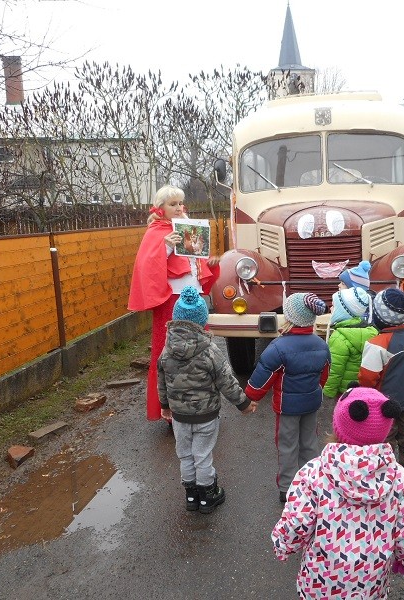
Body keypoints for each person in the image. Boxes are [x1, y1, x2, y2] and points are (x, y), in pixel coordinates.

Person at [271, 385, 404, 599]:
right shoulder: (398, 476)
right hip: (371, 582)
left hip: (320, 581)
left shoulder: (314, 472)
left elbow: (297, 521)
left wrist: (283, 544)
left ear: (338, 425)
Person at [158, 286, 256, 514]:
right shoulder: (210, 350)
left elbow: (161, 380)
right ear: (202, 320)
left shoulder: (166, 350)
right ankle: (208, 496)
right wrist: (243, 403)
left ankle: (191, 496)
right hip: (206, 416)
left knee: (185, 454)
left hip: (180, 417)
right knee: (202, 455)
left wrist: (164, 406)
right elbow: (226, 381)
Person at [127, 185, 220, 423]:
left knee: (201, 348)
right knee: (170, 351)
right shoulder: (156, 232)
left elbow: (194, 264)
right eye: (173, 204)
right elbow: (147, 266)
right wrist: (166, 245)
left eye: (180, 203)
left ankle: (202, 402)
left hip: (194, 296)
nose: (179, 208)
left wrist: (210, 263)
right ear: (160, 209)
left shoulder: (190, 227)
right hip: (171, 299)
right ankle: (169, 410)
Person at [245, 292, 331, 503]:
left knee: (287, 444)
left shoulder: (278, 347)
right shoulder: (321, 345)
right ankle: (313, 483)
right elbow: (324, 376)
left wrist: (251, 397)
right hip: (311, 403)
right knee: (310, 442)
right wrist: (314, 389)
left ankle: (287, 487)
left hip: (286, 408)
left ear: (289, 318)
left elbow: (262, 376)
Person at [358, 288, 404, 479]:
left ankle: (385, 469)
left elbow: (367, 377)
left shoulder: (377, 343)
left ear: (379, 315)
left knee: (386, 433)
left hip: (383, 401)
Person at [322, 287, 377, 400]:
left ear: (343, 311)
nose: (331, 308)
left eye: (334, 306)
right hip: (364, 389)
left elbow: (335, 370)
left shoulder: (339, 337)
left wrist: (328, 391)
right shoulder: (371, 332)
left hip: (344, 391)